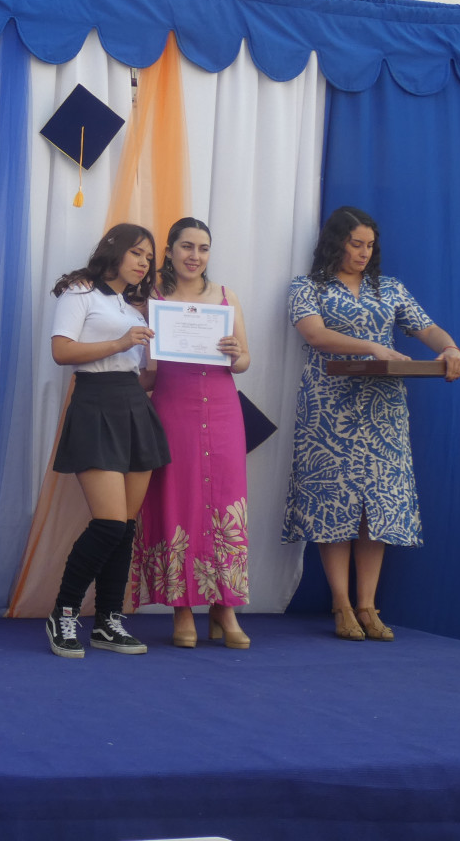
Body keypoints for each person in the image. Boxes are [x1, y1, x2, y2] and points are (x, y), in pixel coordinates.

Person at [283, 206, 460, 642]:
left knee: (377, 506)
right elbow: (315, 334)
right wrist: (372, 346)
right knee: (334, 503)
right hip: (329, 410)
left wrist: (450, 348)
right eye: (356, 244)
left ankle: (367, 605)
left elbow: (427, 329)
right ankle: (341, 604)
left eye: (369, 245)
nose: (364, 253)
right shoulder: (307, 287)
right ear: (336, 242)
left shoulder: (390, 288)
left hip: (382, 413)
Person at [45, 223, 170, 659]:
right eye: (137, 253)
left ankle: (107, 621)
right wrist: (121, 342)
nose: (143, 263)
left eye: (149, 258)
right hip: (95, 404)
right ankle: (63, 614)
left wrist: (176, 353)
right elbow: (62, 351)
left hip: (133, 405)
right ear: (114, 250)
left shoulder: (132, 307)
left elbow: (142, 375)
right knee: (110, 524)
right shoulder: (80, 291)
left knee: (125, 528)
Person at [132, 217, 252, 649]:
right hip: (173, 410)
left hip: (222, 411)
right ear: (169, 251)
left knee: (225, 500)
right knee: (178, 498)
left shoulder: (226, 297)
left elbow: (243, 362)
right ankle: (181, 607)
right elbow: (149, 374)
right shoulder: (153, 299)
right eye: (186, 246)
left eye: (203, 248)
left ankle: (224, 606)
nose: (194, 256)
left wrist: (236, 354)